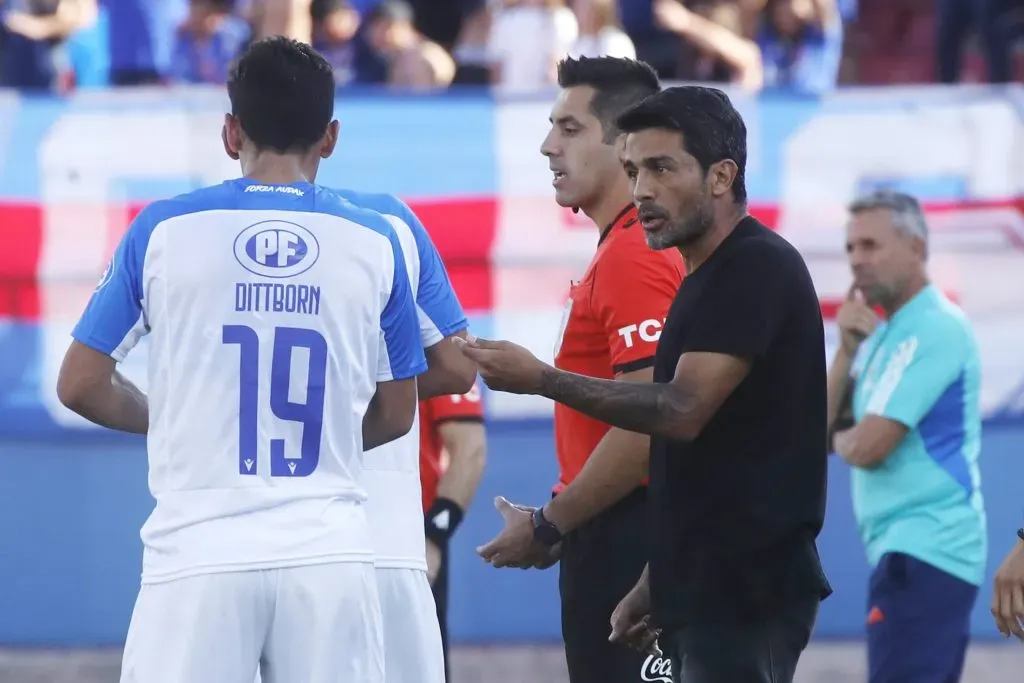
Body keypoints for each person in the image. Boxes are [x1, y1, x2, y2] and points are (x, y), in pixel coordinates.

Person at [55, 36, 427, 683]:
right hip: (329, 554)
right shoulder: (375, 242)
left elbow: (80, 382)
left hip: (198, 552)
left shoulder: (162, 229)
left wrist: (178, 420)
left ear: (231, 131)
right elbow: (398, 412)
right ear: (330, 137)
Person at [458, 85, 832, 683]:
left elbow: (682, 411)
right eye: (634, 170)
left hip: (746, 587)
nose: (643, 190)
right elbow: (707, 462)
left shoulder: (754, 265)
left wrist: (545, 380)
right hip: (702, 580)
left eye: (662, 168)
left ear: (721, 176)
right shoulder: (700, 276)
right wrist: (659, 578)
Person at [475, 55, 684, 683]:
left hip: (633, 544)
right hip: (614, 531)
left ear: (624, 143)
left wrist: (548, 525)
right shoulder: (619, 249)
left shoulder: (633, 256)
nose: (547, 146)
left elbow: (651, 421)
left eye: (569, 129)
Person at [827, 190, 986, 683]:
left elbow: (868, 446)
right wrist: (847, 351)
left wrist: (838, 439)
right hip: (906, 552)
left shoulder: (937, 327)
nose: (857, 261)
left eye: (871, 245)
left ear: (917, 247)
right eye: (851, 248)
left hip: (929, 548)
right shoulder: (884, 336)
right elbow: (823, 423)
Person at [326, 188, 477, 683]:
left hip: (401, 529)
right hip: (384, 533)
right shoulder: (393, 238)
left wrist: (436, 533)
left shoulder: (422, 341)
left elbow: (469, 449)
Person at [419, 382, 488, 678]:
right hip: (325, 526)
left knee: (416, 664)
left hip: (409, 535)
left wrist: (432, 538)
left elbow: (470, 451)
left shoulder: (435, 338)